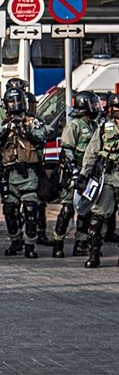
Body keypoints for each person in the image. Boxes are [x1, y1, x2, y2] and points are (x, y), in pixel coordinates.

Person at [0, 79, 49, 258]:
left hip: (29, 172)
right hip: (9, 173)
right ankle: (15, 241)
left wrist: (27, 132)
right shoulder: (4, 123)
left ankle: (30, 244)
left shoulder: (33, 121)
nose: (15, 105)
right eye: (11, 102)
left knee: (30, 210)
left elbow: (42, 138)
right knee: (10, 210)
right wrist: (6, 130)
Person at [53, 91, 101, 258]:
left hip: (89, 175)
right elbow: (67, 151)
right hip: (73, 174)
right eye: (93, 104)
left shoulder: (95, 126)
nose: (96, 107)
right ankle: (58, 242)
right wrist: (74, 172)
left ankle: (81, 243)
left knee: (86, 211)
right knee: (67, 209)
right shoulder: (74, 126)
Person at [79, 93, 119, 268]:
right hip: (108, 177)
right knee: (98, 216)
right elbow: (92, 152)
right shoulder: (104, 128)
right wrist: (83, 174)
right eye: (117, 108)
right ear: (111, 109)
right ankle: (94, 254)